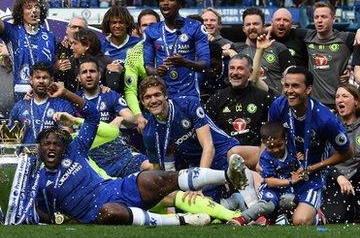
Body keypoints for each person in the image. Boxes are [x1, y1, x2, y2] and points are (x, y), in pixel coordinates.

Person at [34, 81, 248, 225]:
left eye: (56, 143)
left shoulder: (75, 148)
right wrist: (59, 219)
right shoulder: (41, 180)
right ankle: (183, 221)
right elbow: (41, 210)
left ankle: (230, 182)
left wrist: (67, 95)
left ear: (64, 144)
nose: (52, 147)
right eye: (46, 144)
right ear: (39, 149)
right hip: (101, 210)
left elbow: (94, 118)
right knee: (111, 211)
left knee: (160, 181)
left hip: (116, 185)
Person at [138, 74, 251, 202]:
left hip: (221, 151)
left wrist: (198, 184)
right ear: (142, 102)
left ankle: (263, 198)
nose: (153, 100)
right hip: (196, 165)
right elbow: (158, 172)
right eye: (147, 97)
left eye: (157, 95)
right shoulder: (149, 133)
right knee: (200, 203)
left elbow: (208, 146)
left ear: (165, 95)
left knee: (239, 158)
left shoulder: (188, 104)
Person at [268, 66, 354, 225]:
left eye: (295, 86)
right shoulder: (278, 105)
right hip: (286, 165)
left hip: (313, 173)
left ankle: (318, 215)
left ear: (308, 89)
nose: (289, 91)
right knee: (238, 152)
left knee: (300, 221)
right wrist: (262, 160)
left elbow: (348, 152)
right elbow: (268, 136)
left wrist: (314, 167)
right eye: (286, 85)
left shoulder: (325, 119)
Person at [76, 56, 143, 177]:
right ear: (79, 78)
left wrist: (121, 118)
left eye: (92, 71)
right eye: (84, 72)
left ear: (100, 75)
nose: (89, 75)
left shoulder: (110, 95)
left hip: (117, 155)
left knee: (150, 166)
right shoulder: (74, 100)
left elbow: (133, 120)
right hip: (90, 161)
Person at [143, 0, 210, 98]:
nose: (165, 3)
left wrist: (185, 62)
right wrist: (156, 72)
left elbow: (205, 63)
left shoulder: (195, 27)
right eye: (162, 0)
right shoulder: (151, 31)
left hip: (190, 94)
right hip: (162, 95)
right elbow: (148, 66)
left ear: (180, 4)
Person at [228, 122, 301, 226]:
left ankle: (273, 219)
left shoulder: (293, 149)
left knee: (289, 201)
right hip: (271, 189)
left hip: (288, 190)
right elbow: (270, 181)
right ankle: (242, 219)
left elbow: (299, 169)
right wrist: (290, 181)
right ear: (263, 142)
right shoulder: (265, 157)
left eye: (279, 145)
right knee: (268, 205)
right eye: (271, 147)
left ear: (285, 139)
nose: (276, 150)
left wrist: (300, 163)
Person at [205, 54, 274, 146]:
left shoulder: (263, 98)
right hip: (224, 154)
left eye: (240, 68)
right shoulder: (216, 98)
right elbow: (206, 131)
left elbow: (273, 129)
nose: (235, 73)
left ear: (250, 72)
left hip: (256, 154)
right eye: (232, 68)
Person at [9, 62, 75, 143]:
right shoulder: (19, 106)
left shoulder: (62, 106)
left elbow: (68, 137)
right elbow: (10, 138)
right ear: (31, 80)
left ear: (52, 80)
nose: (41, 81)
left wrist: (60, 129)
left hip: (52, 154)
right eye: (37, 77)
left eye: (45, 78)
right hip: (25, 154)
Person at [322, 84, 360, 223]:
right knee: (336, 218)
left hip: (356, 178)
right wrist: (338, 176)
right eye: (337, 97)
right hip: (333, 178)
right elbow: (321, 159)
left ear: (356, 101)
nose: (339, 100)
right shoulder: (328, 124)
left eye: (345, 96)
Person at [233, 7, 294, 95]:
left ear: (264, 27)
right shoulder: (237, 49)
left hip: (275, 103)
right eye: (248, 24)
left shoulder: (279, 48)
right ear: (243, 28)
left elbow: (292, 78)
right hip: (249, 103)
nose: (252, 27)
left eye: (255, 24)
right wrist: (229, 51)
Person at [124, 9, 159, 132]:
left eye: (152, 25)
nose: (149, 28)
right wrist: (138, 116)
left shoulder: (172, 46)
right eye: (145, 25)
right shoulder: (133, 53)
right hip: (152, 105)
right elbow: (130, 90)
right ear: (139, 29)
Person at [54, 16, 87, 91]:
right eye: (74, 27)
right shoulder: (56, 48)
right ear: (67, 29)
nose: (77, 30)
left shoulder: (91, 50)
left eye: (80, 28)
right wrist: (56, 66)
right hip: (59, 95)